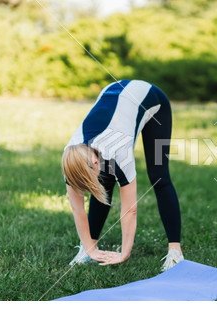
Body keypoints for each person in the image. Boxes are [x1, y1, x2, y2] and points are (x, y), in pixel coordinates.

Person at [62, 79, 183, 271]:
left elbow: (130, 210)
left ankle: (175, 251)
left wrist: (125, 252)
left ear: (95, 162)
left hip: (151, 100)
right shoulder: (70, 157)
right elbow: (78, 210)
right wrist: (89, 248)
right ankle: (89, 247)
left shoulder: (120, 154)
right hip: (113, 94)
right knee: (104, 178)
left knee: (159, 176)